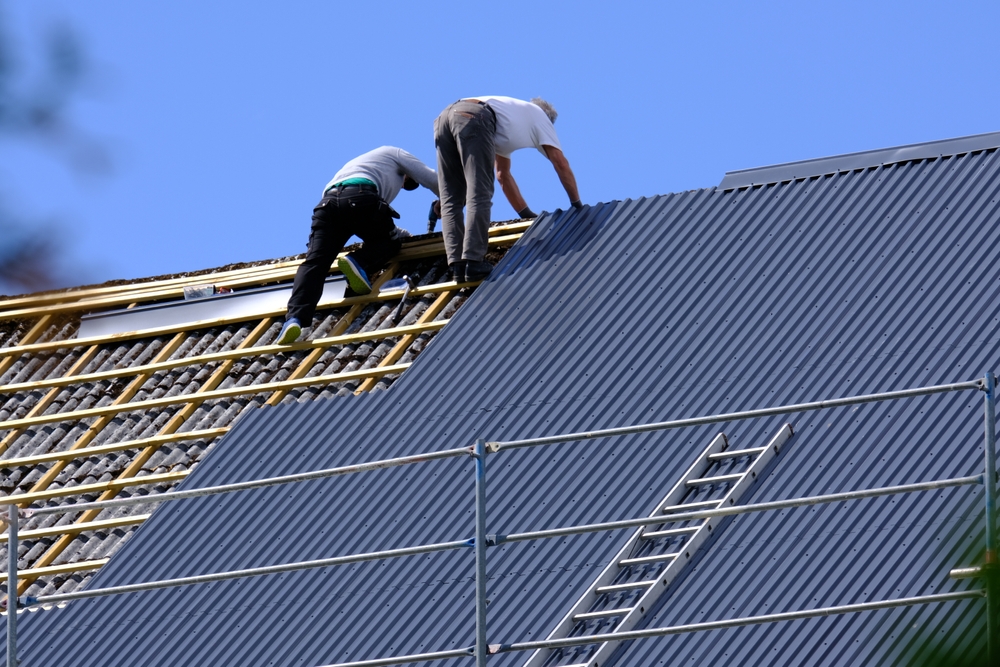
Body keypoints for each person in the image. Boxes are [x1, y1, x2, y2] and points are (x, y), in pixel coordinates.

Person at [277, 146, 439, 345]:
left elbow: (371, 220)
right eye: (408, 181)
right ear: (408, 172)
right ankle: (358, 262)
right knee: (389, 243)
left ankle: (295, 319)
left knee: (315, 263)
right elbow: (433, 179)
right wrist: (450, 200)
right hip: (361, 197)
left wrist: (406, 235)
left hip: (327, 205)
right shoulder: (395, 154)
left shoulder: (361, 167)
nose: (404, 184)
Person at [433, 96, 582, 283]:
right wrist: (577, 205)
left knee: (451, 198)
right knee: (479, 192)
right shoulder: (542, 118)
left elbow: (503, 174)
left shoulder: (510, 121)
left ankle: (457, 266)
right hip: (473, 116)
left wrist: (526, 214)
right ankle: (473, 260)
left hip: (444, 119)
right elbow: (560, 163)